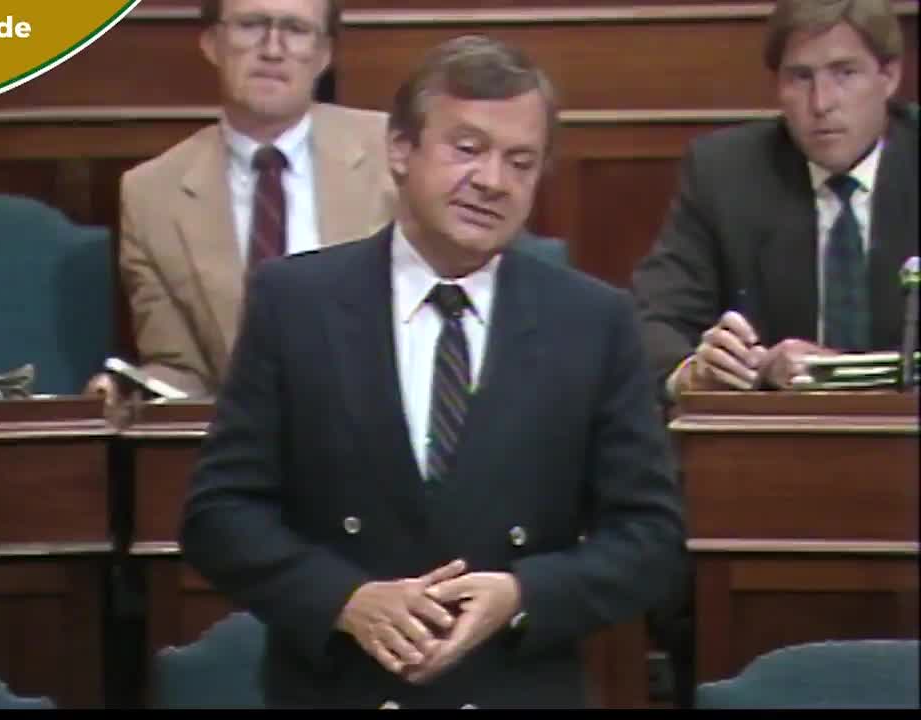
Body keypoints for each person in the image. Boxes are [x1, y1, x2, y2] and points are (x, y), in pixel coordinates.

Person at [179, 35, 685, 709]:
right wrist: (345, 599)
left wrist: (523, 594)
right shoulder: (294, 303)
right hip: (341, 689)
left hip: (512, 687)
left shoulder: (594, 322)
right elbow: (220, 516)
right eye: (467, 148)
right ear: (399, 149)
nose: (493, 181)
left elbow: (650, 540)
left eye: (520, 161)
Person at [84, 0, 396, 404]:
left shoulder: (394, 154)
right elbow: (182, 371)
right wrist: (131, 391)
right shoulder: (150, 195)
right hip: (249, 442)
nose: (272, 49)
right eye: (252, 25)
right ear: (213, 43)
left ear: (324, 55)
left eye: (296, 30)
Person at [632, 0, 918, 402]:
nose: (822, 103)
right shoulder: (726, 173)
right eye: (801, 78)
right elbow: (653, 320)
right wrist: (697, 374)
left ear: (889, 76)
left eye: (845, 73)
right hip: (772, 442)